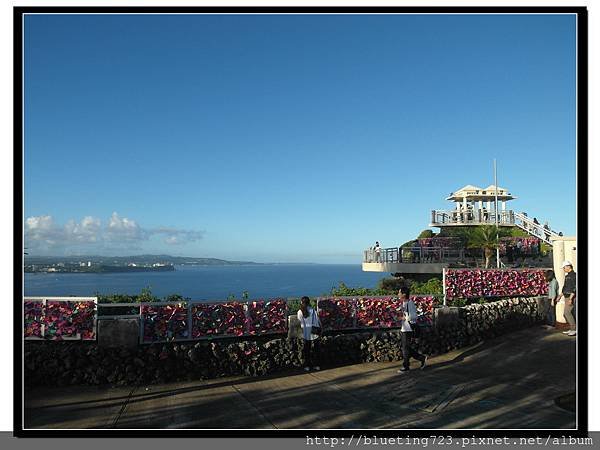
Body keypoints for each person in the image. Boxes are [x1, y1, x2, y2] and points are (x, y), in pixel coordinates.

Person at [397, 287, 427, 373]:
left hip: (408, 329)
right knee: (405, 348)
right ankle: (421, 358)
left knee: (405, 348)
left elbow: (414, 316)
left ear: (404, 294)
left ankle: (406, 366)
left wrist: (403, 318)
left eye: (399, 293)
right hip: (405, 328)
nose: (398, 294)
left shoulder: (409, 303)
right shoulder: (404, 303)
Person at [297, 296, 321, 371]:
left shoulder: (300, 311)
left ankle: (307, 366)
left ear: (301, 302)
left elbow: (299, 321)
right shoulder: (313, 310)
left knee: (306, 350)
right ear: (309, 302)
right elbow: (318, 320)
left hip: (306, 332)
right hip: (315, 331)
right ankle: (316, 365)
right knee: (316, 350)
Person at [558, 261, 577, 336]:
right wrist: (560, 295)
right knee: (566, 314)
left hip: (570, 297)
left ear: (568, 267)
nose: (563, 269)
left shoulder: (574, 276)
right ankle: (572, 328)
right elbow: (565, 287)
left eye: (564, 267)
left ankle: (574, 329)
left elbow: (574, 288)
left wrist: (571, 298)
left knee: (567, 313)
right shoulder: (567, 276)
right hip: (566, 296)